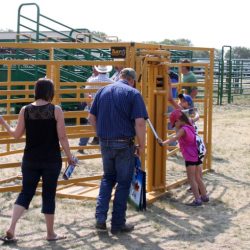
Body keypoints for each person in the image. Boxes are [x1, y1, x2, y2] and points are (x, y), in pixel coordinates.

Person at [0, 78, 76, 242]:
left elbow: (15, 135)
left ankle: (12, 227)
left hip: (30, 159)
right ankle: (50, 233)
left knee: (26, 192)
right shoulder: (56, 110)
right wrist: (69, 157)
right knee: (49, 195)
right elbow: (62, 137)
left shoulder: (25, 110)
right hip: (51, 160)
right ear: (50, 92)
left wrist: (3, 122)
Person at [88, 68, 148, 234]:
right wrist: (141, 145)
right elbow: (140, 123)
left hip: (105, 142)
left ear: (120, 76)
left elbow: (91, 118)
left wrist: (100, 134)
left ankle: (100, 218)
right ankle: (118, 222)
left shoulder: (102, 91)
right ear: (132, 80)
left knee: (107, 178)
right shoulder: (133, 93)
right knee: (123, 182)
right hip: (124, 144)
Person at [159, 109, 209, 206]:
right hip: (197, 154)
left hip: (190, 157)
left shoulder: (182, 130)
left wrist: (163, 143)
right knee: (198, 177)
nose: (174, 126)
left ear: (178, 120)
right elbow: (197, 117)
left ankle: (197, 200)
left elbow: (175, 137)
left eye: (174, 124)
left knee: (191, 179)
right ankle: (205, 196)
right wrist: (196, 111)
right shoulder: (189, 124)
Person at [78, 65, 114, 153]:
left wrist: (89, 104)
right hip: (107, 108)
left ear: (98, 71)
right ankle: (106, 148)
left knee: (88, 127)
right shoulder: (112, 82)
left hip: (94, 107)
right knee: (107, 129)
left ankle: (81, 146)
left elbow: (86, 93)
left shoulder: (92, 80)